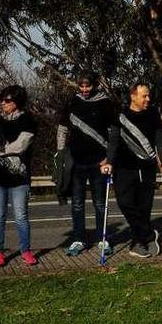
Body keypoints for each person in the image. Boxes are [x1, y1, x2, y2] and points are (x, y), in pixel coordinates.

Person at [102, 83, 162, 258]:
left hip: (147, 168)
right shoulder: (120, 116)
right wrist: (109, 161)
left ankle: (137, 243)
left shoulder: (153, 114)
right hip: (124, 168)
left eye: (149, 96)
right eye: (144, 96)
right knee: (126, 203)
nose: (148, 99)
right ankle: (148, 234)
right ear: (133, 96)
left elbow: (160, 141)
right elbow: (113, 141)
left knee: (144, 208)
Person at [57, 71, 117, 257]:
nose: (84, 89)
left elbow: (114, 132)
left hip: (99, 162)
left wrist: (110, 157)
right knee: (77, 203)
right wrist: (60, 153)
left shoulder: (106, 103)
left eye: (87, 86)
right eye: (81, 86)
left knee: (100, 203)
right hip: (77, 162)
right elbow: (62, 128)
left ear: (94, 85)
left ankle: (102, 239)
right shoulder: (72, 102)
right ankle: (79, 239)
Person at [0, 86, 38, 267]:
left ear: (17, 102)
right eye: (2, 100)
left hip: (19, 178)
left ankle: (26, 250)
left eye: (8, 100)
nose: (3, 103)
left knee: (21, 216)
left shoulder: (28, 121)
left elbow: (20, 146)